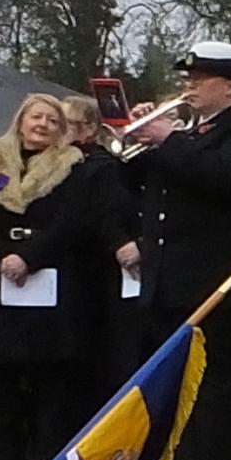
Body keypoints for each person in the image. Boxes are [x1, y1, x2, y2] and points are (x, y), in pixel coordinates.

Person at [123, 41, 231, 460]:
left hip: (211, 280)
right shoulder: (188, 136)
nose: (188, 87)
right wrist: (140, 140)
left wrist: (167, 138)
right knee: (171, 385)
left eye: (199, 80)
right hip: (167, 279)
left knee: (211, 385)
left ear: (228, 87)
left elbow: (222, 179)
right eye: (187, 79)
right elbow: (136, 185)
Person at [0, 94, 102, 460]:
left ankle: (44, 459)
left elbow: (72, 222)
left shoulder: (72, 169)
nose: (42, 124)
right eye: (35, 117)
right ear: (20, 120)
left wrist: (29, 257)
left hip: (49, 281)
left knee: (50, 378)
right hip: (1, 279)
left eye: (51, 119)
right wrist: (1, 256)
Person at [58, 92, 145, 413]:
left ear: (89, 129)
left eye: (67, 124)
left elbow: (104, 212)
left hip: (94, 274)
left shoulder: (100, 166)